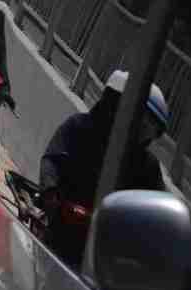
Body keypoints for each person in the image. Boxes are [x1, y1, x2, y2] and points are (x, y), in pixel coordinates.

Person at [37, 68, 169, 267]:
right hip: (62, 226)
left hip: (110, 253)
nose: (144, 131)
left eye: (151, 128)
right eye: (142, 121)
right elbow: (52, 160)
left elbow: (159, 211)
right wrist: (50, 191)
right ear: (114, 106)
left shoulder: (148, 166)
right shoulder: (79, 127)